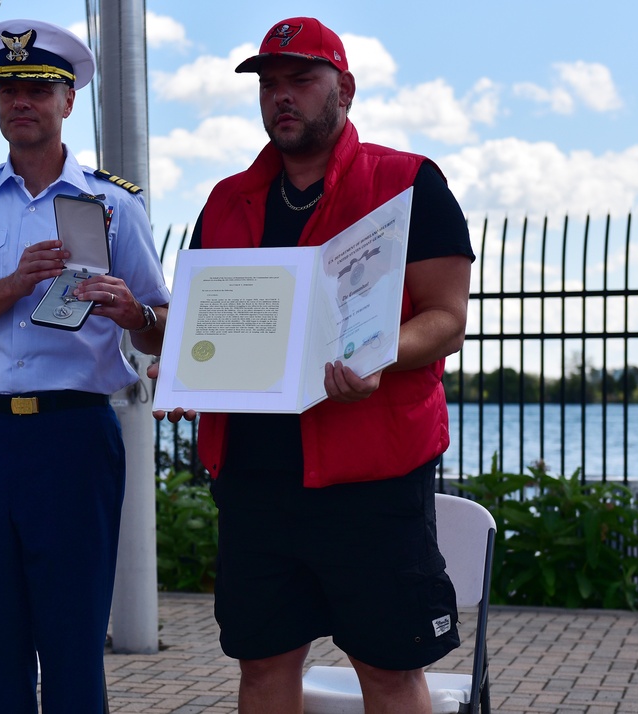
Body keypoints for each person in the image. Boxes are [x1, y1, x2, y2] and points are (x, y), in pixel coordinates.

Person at [150, 17, 475, 714]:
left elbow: (447, 318)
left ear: (345, 88)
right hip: (255, 478)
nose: (281, 97)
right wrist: (182, 371)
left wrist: (380, 358)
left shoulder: (408, 180)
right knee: (263, 669)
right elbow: (207, 319)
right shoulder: (227, 198)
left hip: (373, 476)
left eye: (301, 79)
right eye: (269, 84)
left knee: (389, 672)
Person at [0, 19, 170, 713]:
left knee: (74, 640)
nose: (21, 100)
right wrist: (12, 285)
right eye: (9, 87)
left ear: (67, 103)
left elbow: (167, 335)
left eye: (38, 88)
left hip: (73, 436)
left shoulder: (114, 204)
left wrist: (133, 316)